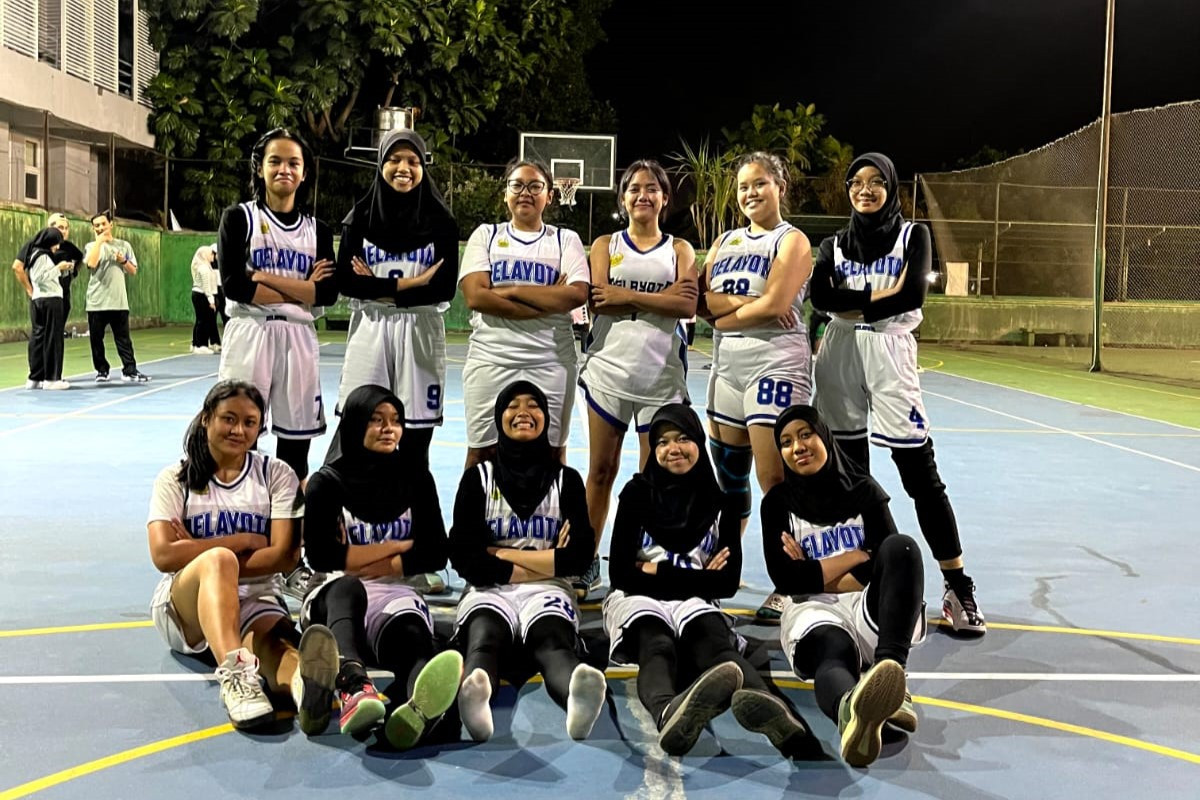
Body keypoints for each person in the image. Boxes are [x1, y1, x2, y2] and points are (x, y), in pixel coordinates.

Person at [809, 152, 985, 635]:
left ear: (891, 188)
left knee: (920, 474)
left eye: (875, 182)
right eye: (856, 182)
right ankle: (874, 579)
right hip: (839, 352)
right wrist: (878, 299)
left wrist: (853, 303)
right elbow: (821, 299)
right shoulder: (833, 244)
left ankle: (958, 586)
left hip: (891, 351)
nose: (864, 190)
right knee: (850, 475)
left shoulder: (913, 236)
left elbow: (912, 297)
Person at [605, 404, 810, 757]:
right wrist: (699, 578)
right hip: (637, 600)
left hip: (692, 602)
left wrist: (655, 572)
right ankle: (668, 712)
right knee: (656, 644)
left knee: (716, 647)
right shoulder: (636, 493)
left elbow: (726, 584)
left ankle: (773, 714)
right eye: (663, 442)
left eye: (683, 438)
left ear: (699, 442)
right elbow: (621, 574)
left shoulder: (721, 503)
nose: (673, 449)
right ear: (653, 450)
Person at [146, 380, 339, 731]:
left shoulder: (275, 474)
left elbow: (284, 556)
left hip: (256, 598)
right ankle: (236, 678)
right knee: (218, 560)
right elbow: (163, 554)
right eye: (229, 419)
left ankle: (304, 688)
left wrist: (195, 548)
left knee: (277, 648)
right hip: (185, 610)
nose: (239, 430)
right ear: (207, 418)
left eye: (250, 422)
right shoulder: (175, 478)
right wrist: (241, 541)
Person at [762, 404, 925, 767]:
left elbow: (889, 561)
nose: (797, 447)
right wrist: (855, 556)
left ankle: (891, 676)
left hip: (865, 605)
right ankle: (851, 712)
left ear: (824, 436)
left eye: (806, 434)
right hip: (811, 608)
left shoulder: (864, 491)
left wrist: (814, 570)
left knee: (903, 548)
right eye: (786, 442)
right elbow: (786, 580)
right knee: (832, 650)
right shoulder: (777, 503)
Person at [300, 384, 463, 746]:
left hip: (392, 593)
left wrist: (372, 561)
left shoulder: (416, 478)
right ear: (355, 422)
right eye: (376, 419)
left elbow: (436, 551)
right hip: (333, 596)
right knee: (348, 586)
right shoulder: (326, 483)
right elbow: (322, 557)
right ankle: (353, 684)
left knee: (414, 639)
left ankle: (421, 712)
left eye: (396, 420)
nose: (389, 428)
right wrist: (398, 549)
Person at [449, 381, 607, 743]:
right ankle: (476, 699)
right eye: (513, 405)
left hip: (546, 591)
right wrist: (549, 560)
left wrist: (500, 553)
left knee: (552, 641)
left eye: (533, 405)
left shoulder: (566, 481)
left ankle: (576, 696)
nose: (524, 412)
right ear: (499, 417)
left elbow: (580, 557)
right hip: (491, 589)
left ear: (546, 418)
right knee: (484, 637)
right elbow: (463, 556)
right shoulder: (479, 478)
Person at [698, 151, 814, 623]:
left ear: (780, 187)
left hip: (775, 363)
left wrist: (726, 314)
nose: (750, 193)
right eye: (744, 186)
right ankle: (723, 570)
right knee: (729, 479)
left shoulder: (793, 240)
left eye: (760, 183)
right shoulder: (724, 241)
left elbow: (777, 305)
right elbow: (701, 300)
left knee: (775, 479)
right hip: (727, 366)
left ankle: (791, 579)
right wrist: (749, 302)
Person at [578, 159, 698, 600]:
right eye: (634, 188)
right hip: (608, 372)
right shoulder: (605, 244)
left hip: (660, 377)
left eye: (652, 188)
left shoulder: (680, 249)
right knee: (601, 471)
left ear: (665, 198)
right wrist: (660, 298)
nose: (642, 195)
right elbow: (598, 301)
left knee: (654, 476)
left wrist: (625, 295)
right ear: (623, 198)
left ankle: (645, 560)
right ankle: (587, 559)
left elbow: (687, 306)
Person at [217, 128, 338, 481]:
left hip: (298, 337)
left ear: (304, 172)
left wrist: (263, 277)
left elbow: (327, 294)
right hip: (250, 332)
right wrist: (304, 290)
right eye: (275, 161)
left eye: (293, 163)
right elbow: (235, 286)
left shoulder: (317, 230)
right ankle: (241, 503)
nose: (284, 169)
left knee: (296, 443)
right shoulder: (239, 218)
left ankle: (290, 509)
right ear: (260, 168)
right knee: (240, 435)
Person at [334, 128, 459, 469]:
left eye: (412, 161)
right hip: (371, 329)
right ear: (381, 164)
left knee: (416, 440)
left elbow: (443, 289)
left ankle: (412, 503)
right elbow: (347, 282)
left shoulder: (442, 222)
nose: (403, 168)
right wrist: (411, 284)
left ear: (423, 168)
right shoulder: (359, 218)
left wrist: (377, 288)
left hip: (420, 332)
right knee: (362, 427)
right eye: (394, 159)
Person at [457, 159, 590, 469]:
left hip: (551, 361)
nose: (525, 192)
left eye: (535, 186)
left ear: (550, 196)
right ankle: (475, 505)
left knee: (552, 454)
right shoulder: (486, 235)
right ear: (506, 193)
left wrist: (508, 290)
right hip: (491, 359)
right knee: (481, 453)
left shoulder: (565, 239)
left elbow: (575, 295)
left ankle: (551, 505)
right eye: (517, 185)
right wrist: (548, 298)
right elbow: (476, 296)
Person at [84, 211, 150, 383]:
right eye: (96, 225)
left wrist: (123, 261)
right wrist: (99, 242)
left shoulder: (124, 245)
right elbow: (91, 263)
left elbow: (133, 270)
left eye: (103, 224)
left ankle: (129, 370)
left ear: (111, 224)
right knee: (96, 340)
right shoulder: (91, 246)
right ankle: (102, 371)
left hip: (119, 301)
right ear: (93, 228)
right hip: (96, 302)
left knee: (123, 339)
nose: (100, 227)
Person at [24, 228, 72, 390]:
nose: (57, 247)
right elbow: (40, 278)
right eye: (56, 243)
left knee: (39, 339)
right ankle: (52, 378)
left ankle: (35, 377)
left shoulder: (34, 254)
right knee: (53, 338)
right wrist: (59, 268)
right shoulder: (42, 256)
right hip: (50, 300)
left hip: (39, 300)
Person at [190, 243, 222, 354]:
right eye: (211, 254)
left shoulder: (206, 266)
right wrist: (211, 300)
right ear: (205, 255)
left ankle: (198, 344)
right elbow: (206, 286)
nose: (213, 256)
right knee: (202, 321)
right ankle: (200, 345)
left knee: (202, 320)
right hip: (201, 295)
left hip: (201, 294)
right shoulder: (204, 268)